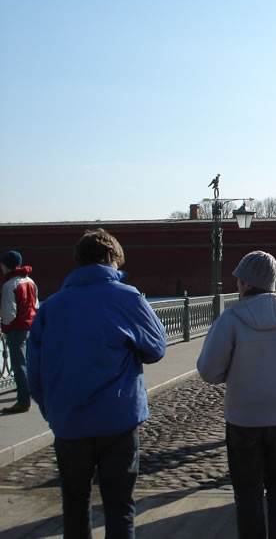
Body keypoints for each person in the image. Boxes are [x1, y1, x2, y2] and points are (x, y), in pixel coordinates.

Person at [27, 228, 167, 537]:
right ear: (108, 257)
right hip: (118, 420)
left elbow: (34, 373)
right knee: (120, 508)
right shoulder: (127, 297)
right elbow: (157, 348)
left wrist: (52, 411)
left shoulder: (50, 307)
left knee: (75, 506)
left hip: (69, 421)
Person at [198, 251, 276, 539]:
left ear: (246, 282)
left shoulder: (230, 319)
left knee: (248, 490)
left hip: (244, 417)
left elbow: (209, 371)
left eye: (239, 279)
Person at [0, 250, 39, 414]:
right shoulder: (29, 281)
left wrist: (5, 326)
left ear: (7, 266)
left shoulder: (10, 285)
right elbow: (36, 304)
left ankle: (23, 401)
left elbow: (9, 312)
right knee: (29, 363)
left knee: (19, 365)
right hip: (30, 326)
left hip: (16, 329)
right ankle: (31, 395)